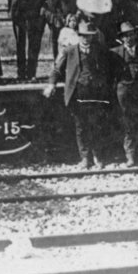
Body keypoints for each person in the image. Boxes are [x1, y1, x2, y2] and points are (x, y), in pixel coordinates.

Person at [44, 19, 111, 170]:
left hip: (95, 93)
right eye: (83, 36)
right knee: (81, 126)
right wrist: (51, 84)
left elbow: (107, 68)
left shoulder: (99, 50)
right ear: (78, 36)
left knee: (96, 125)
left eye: (89, 36)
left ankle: (98, 157)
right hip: (77, 93)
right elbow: (56, 69)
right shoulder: (69, 51)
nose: (86, 39)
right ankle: (85, 158)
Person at [110, 22, 138, 166]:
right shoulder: (115, 52)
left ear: (135, 35)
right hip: (123, 91)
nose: (129, 38)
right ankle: (130, 155)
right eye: (125, 36)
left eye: (131, 35)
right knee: (127, 123)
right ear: (122, 38)